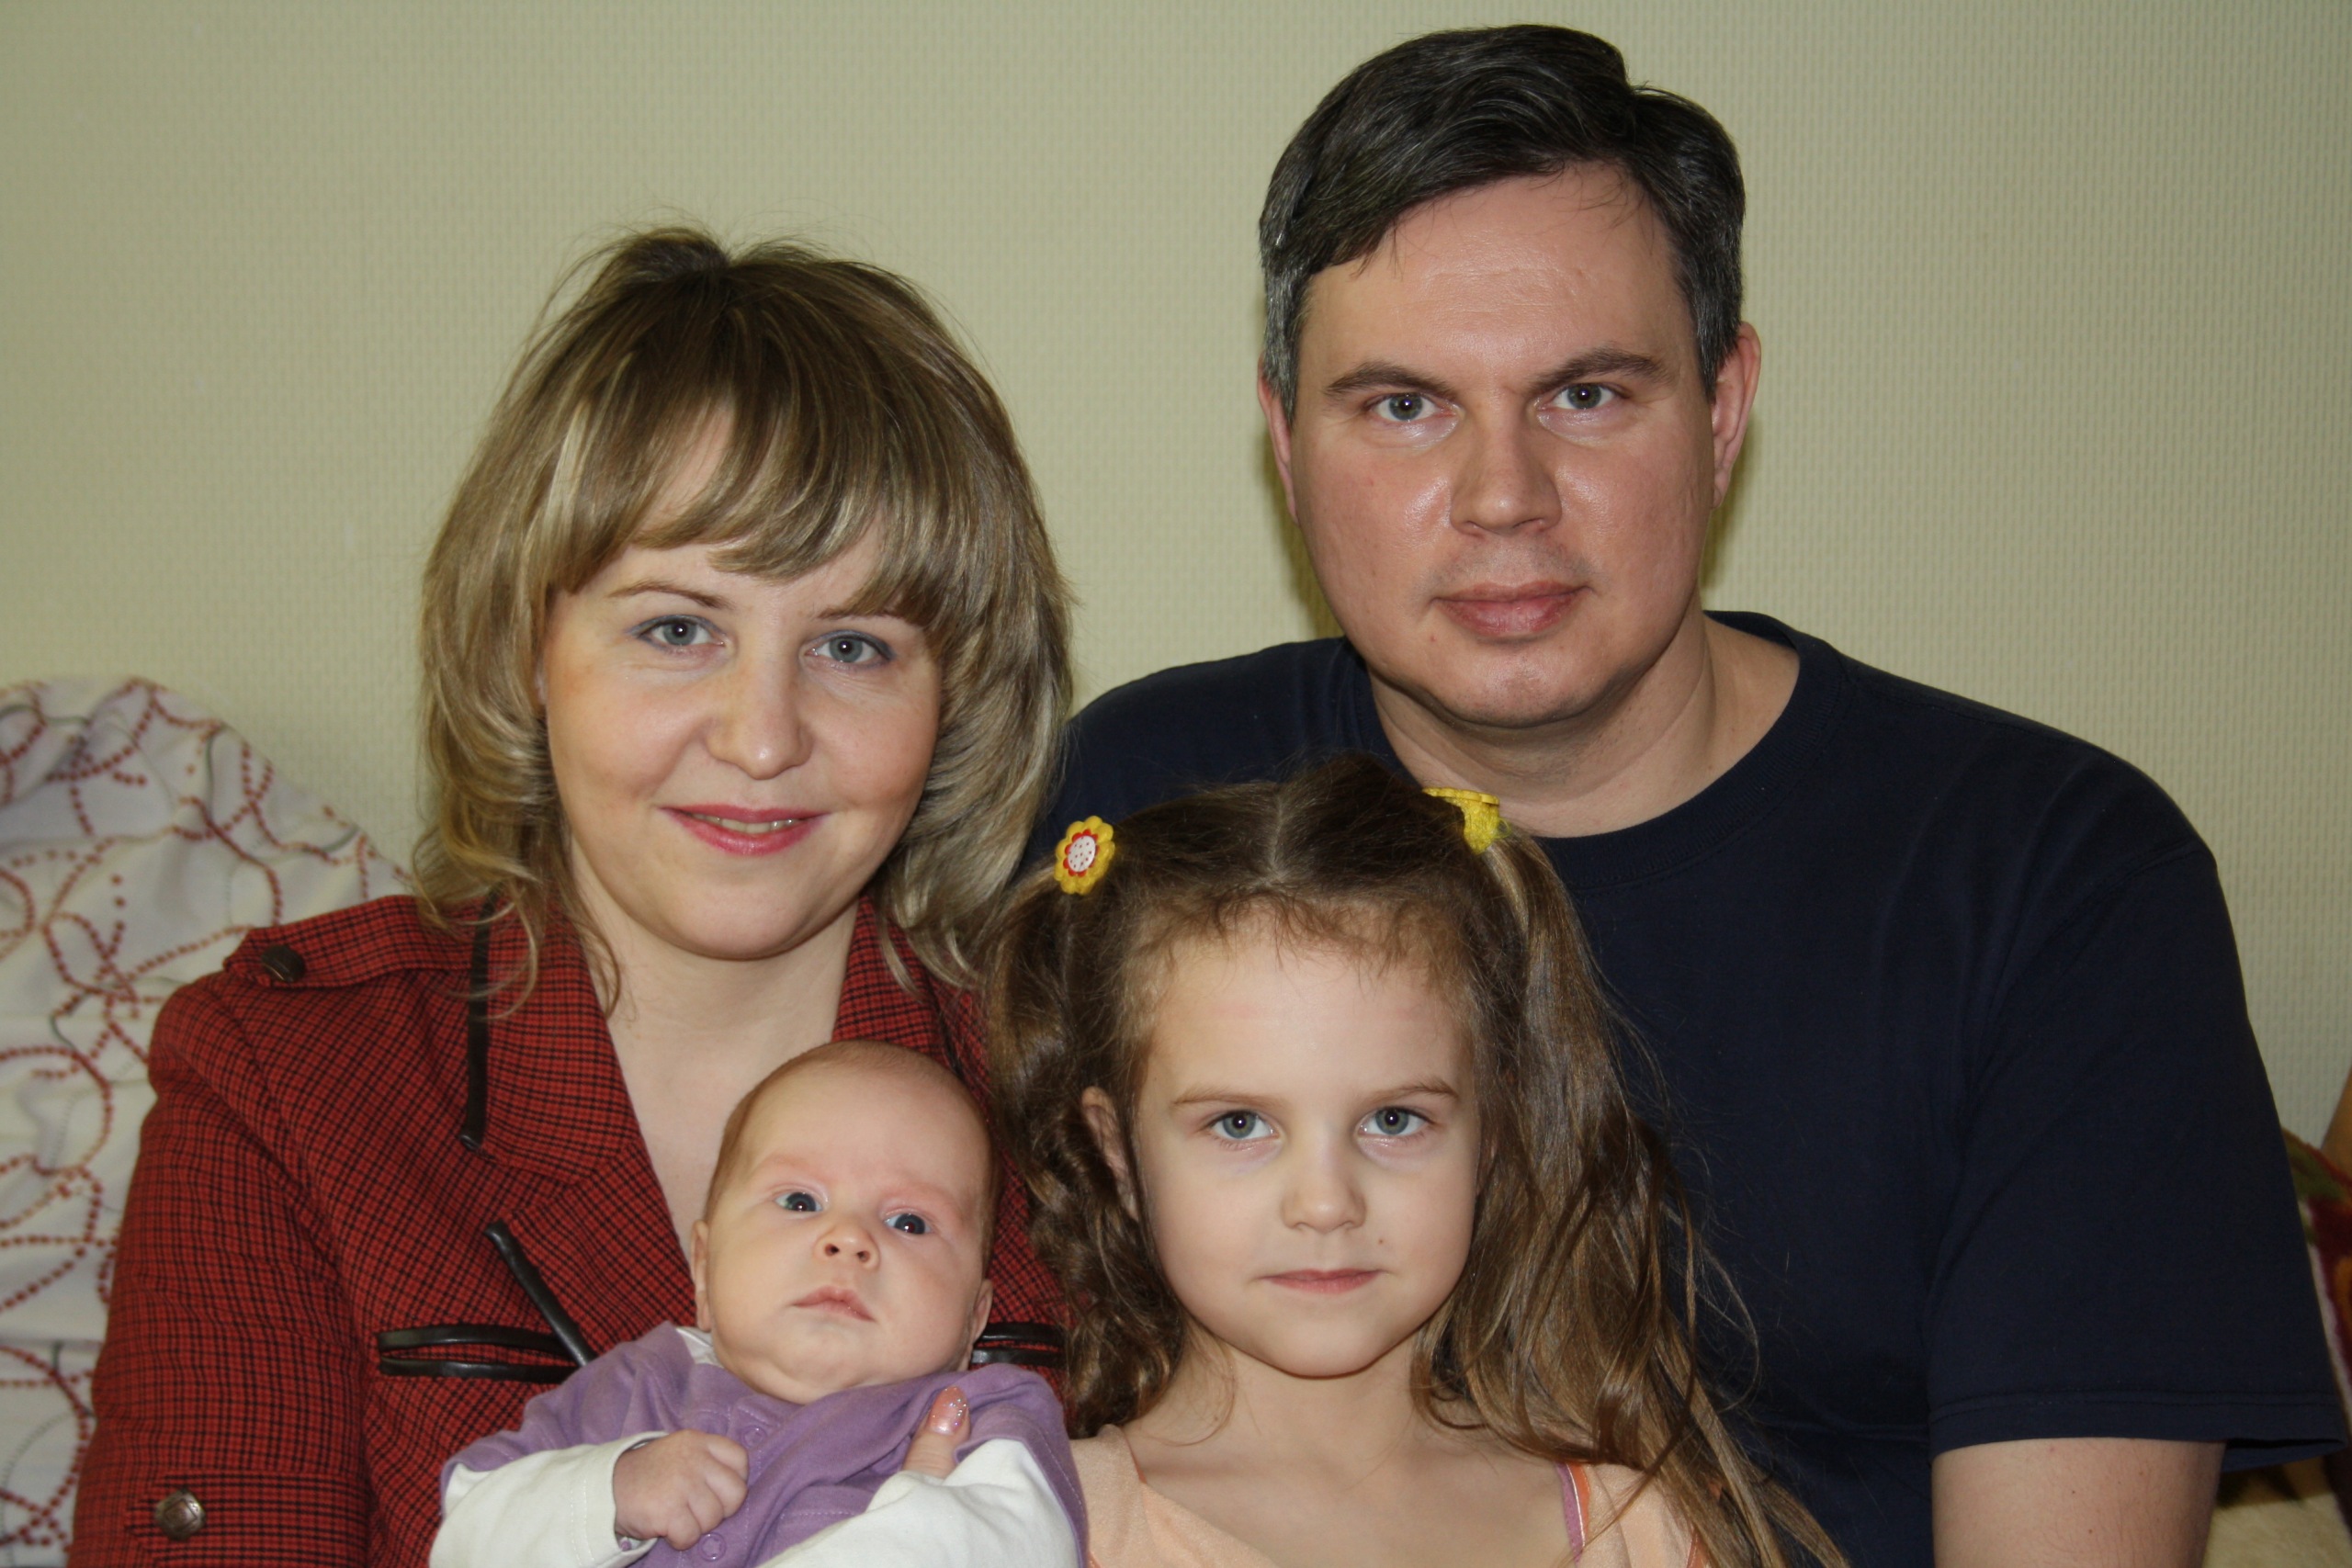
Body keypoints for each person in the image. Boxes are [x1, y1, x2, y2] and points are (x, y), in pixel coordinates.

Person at [1034, 25, 2339, 1567]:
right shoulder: (1153, 804)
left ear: (1723, 409)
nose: (1503, 494)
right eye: (1403, 405)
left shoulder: (2049, 879)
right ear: (1285, 437)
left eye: (1587, 394)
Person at [74, 228, 1071, 1567]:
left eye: (852, 645)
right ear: (526, 647)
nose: (762, 738)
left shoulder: (1074, 1085)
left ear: (954, 696)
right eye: (677, 628)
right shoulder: (291, 1083)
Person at [991, 756, 1839, 1568]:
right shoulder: (1027, 1525)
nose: (1327, 1203)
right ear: (1118, 1151)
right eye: (1240, 1124)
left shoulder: (1640, 1528)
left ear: (1493, 1129)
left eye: (1393, 1119)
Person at [434, 1042, 1082, 1568]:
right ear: (704, 1268)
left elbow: (1011, 1540)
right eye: (800, 1201)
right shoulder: (633, 1385)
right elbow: (465, 1534)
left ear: (974, 1319)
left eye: (909, 1222)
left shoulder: (987, 1423)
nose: (848, 1239)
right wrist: (610, 1490)